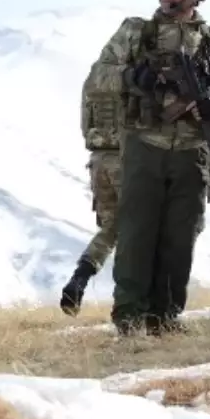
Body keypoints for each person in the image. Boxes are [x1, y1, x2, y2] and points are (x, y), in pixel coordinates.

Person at [89, 0, 210, 336]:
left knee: (181, 237)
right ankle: (129, 317)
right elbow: (99, 75)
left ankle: (164, 317)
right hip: (145, 145)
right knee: (136, 234)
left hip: (194, 150)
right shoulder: (136, 32)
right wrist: (133, 75)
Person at [59, 58, 127, 316]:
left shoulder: (94, 76)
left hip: (98, 160)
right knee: (136, 231)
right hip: (125, 160)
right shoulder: (133, 74)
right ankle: (129, 300)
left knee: (111, 228)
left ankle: (80, 276)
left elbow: (85, 123)